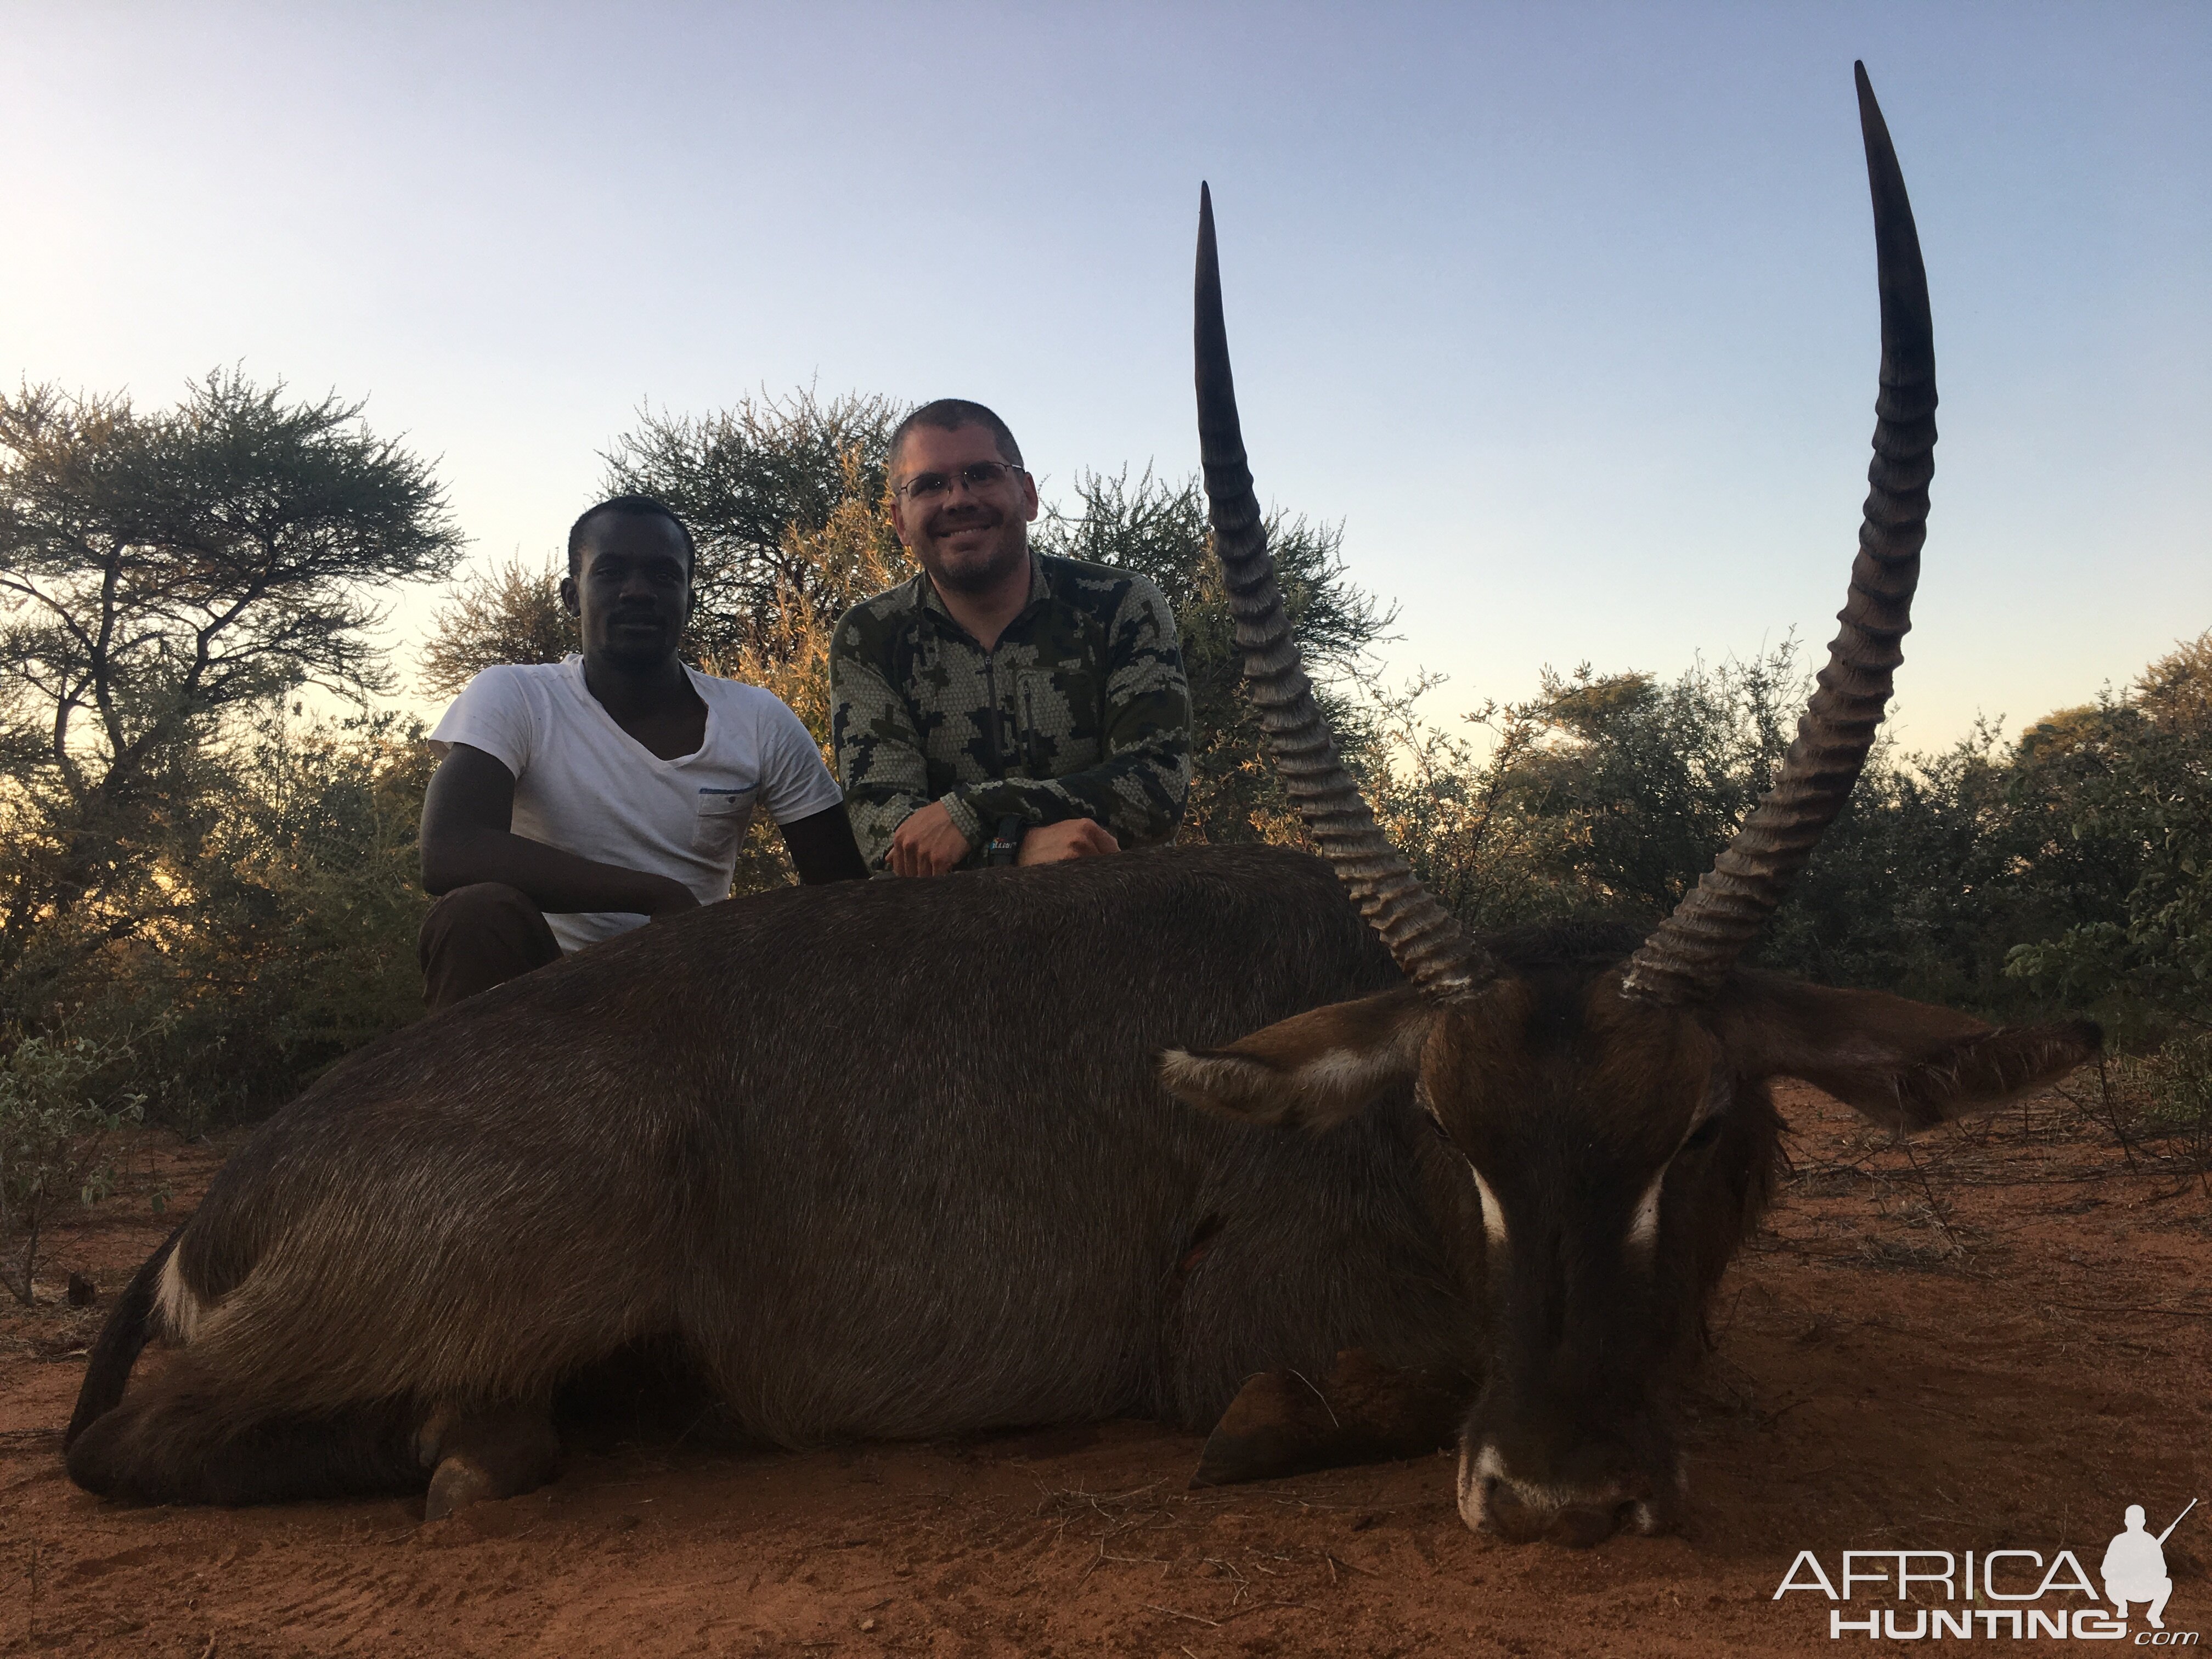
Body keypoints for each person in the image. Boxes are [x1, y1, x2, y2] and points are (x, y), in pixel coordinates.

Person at [417, 494, 867, 1011]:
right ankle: (477, 1092)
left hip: (690, 985)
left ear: (689, 600)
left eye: (663, 576)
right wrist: (655, 895)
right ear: (571, 596)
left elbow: (841, 891)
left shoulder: (759, 718)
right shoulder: (515, 695)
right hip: (540, 991)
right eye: (610, 572)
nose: (637, 592)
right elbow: (450, 848)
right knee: (474, 914)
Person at [830, 399, 1191, 876]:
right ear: (900, 522)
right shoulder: (869, 636)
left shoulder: (1122, 603)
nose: (958, 498)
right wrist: (1014, 850)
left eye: (981, 474)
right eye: (929, 485)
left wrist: (974, 811)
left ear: (1028, 495)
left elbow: (1157, 787)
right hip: (944, 925)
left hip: (1110, 908)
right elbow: (883, 831)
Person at [2102, 1504, 2176, 1629]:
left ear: (2143, 1522)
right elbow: (2106, 1570)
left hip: (2144, 1588)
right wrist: (2123, 1571)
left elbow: (2162, 1571)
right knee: (2110, 1583)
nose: (2134, 1522)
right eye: (2131, 1519)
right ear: (2126, 1521)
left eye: (2137, 1519)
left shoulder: (2150, 1541)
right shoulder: (2118, 1541)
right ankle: (2121, 1605)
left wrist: (2146, 1570)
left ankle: (2154, 1615)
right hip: (2123, 1588)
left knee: (2166, 1583)